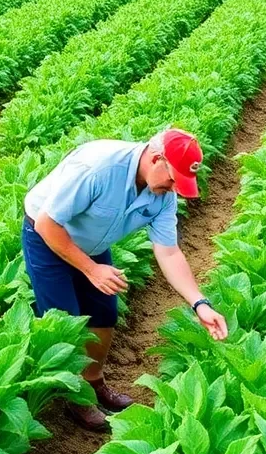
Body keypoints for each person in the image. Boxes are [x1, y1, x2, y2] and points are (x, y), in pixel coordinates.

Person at [22, 128, 228, 431]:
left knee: (105, 313)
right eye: (173, 179)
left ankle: (93, 382)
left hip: (93, 245)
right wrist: (92, 270)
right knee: (65, 322)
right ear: (156, 159)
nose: (173, 189)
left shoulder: (162, 196)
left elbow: (169, 254)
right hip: (48, 237)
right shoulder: (100, 168)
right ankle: (76, 399)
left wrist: (200, 304)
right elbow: (47, 224)